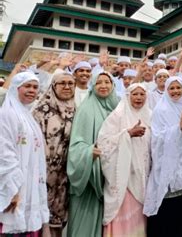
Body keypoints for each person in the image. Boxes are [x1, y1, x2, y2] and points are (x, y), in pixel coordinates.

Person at [66, 71, 119, 237]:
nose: (103, 86)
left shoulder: (118, 107)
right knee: (84, 225)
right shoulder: (86, 109)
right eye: (99, 82)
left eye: (107, 82)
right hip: (89, 177)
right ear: (93, 86)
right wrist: (89, 153)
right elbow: (76, 145)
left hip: (109, 175)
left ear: (113, 85)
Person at [97, 83, 151, 237]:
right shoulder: (117, 115)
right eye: (135, 94)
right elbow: (103, 142)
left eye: (142, 94)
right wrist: (127, 134)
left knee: (139, 220)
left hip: (142, 179)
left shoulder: (151, 115)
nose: (139, 97)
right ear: (128, 96)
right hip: (123, 180)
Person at [0, 72, 49, 235]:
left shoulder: (27, 115)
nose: (32, 90)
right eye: (27, 86)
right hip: (14, 185)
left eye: (35, 87)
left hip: (27, 184)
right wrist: (12, 190)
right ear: (15, 88)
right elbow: (4, 153)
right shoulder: (8, 114)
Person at [144, 76, 182, 237]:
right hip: (164, 164)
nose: (175, 91)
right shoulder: (161, 109)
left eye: (179, 88)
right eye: (172, 88)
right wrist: (178, 128)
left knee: (181, 214)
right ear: (166, 90)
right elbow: (157, 138)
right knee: (165, 215)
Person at [32, 72, 76, 237]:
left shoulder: (77, 109)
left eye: (70, 83)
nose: (66, 87)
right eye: (62, 83)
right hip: (43, 171)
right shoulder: (41, 110)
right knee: (42, 213)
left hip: (66, 174)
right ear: (53, 86)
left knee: (60, 214)